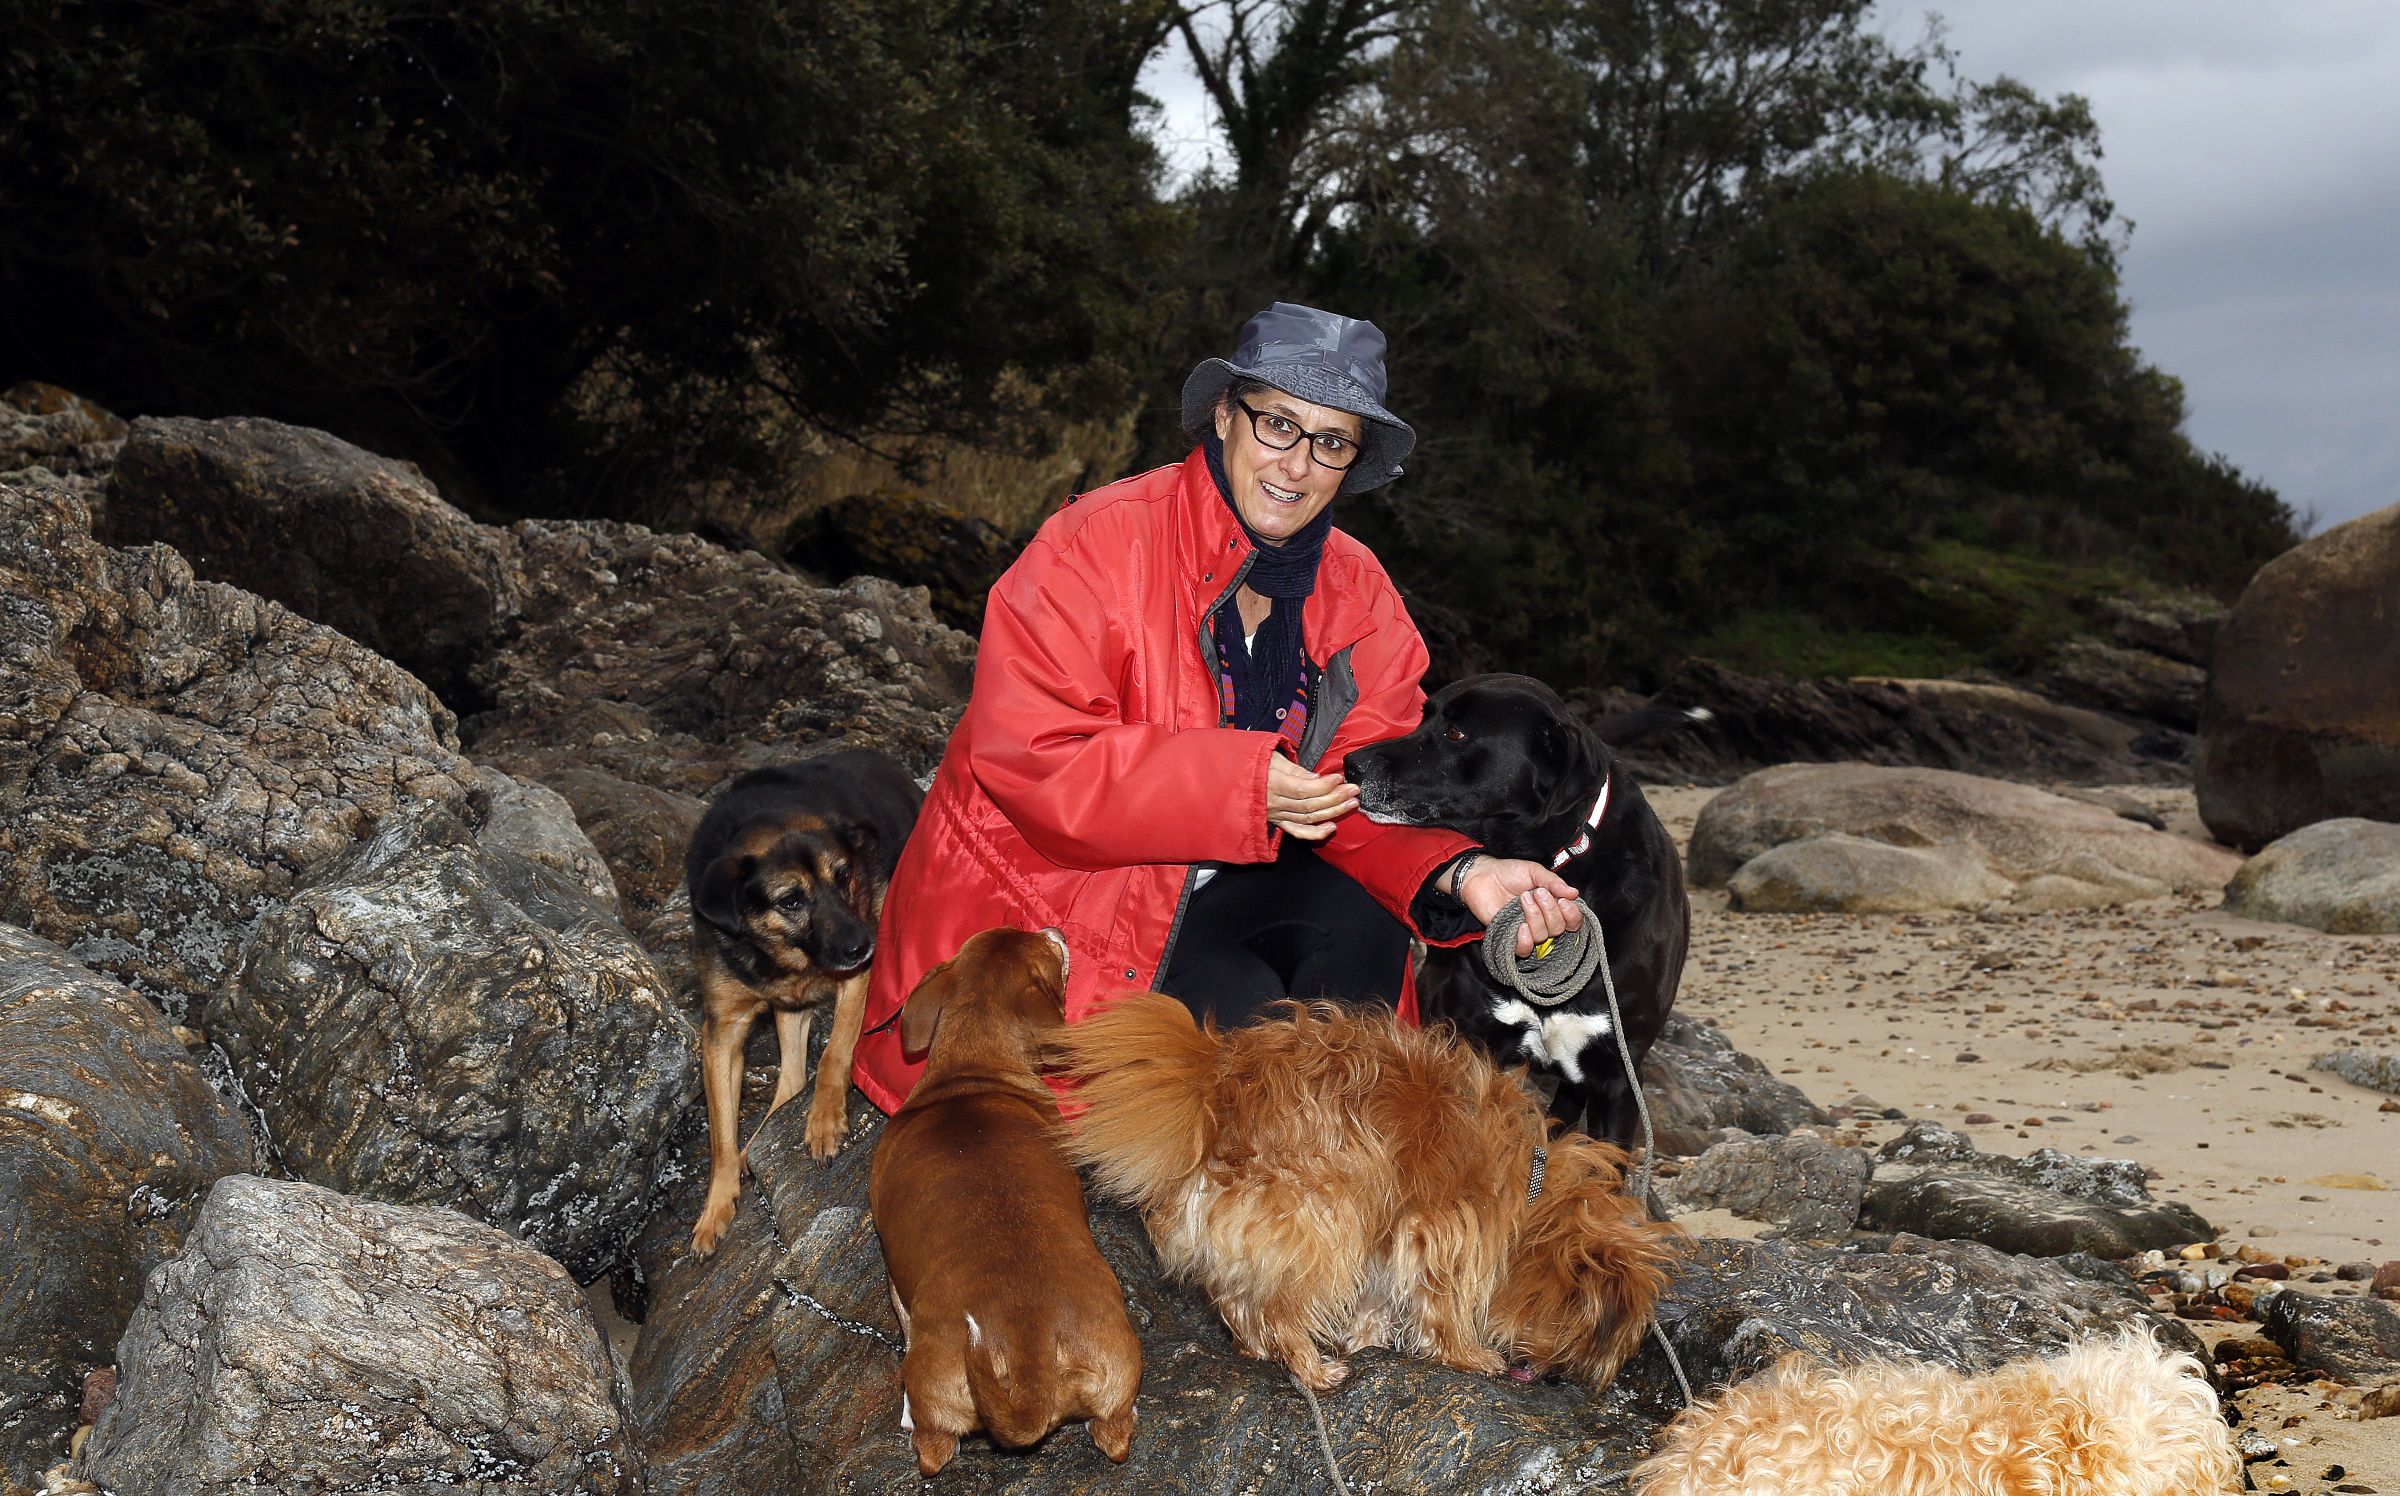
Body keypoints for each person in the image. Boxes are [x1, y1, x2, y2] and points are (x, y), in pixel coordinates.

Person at [851, 302, 1581, 1115]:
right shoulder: (1092, 544)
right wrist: (1244, 788)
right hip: (1063, 908)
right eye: (1278, 424)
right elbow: (1036, 759)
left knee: (1359, 940)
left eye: (1330, 441)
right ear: (1226, 416)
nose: (1297, 464)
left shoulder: (1361, 592)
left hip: (1228, 894)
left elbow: (1364, 792)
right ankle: (1293, 1186)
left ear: (1352, 463)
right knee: (1245, 1024)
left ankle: (1338, 1178)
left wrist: (1462, 871)